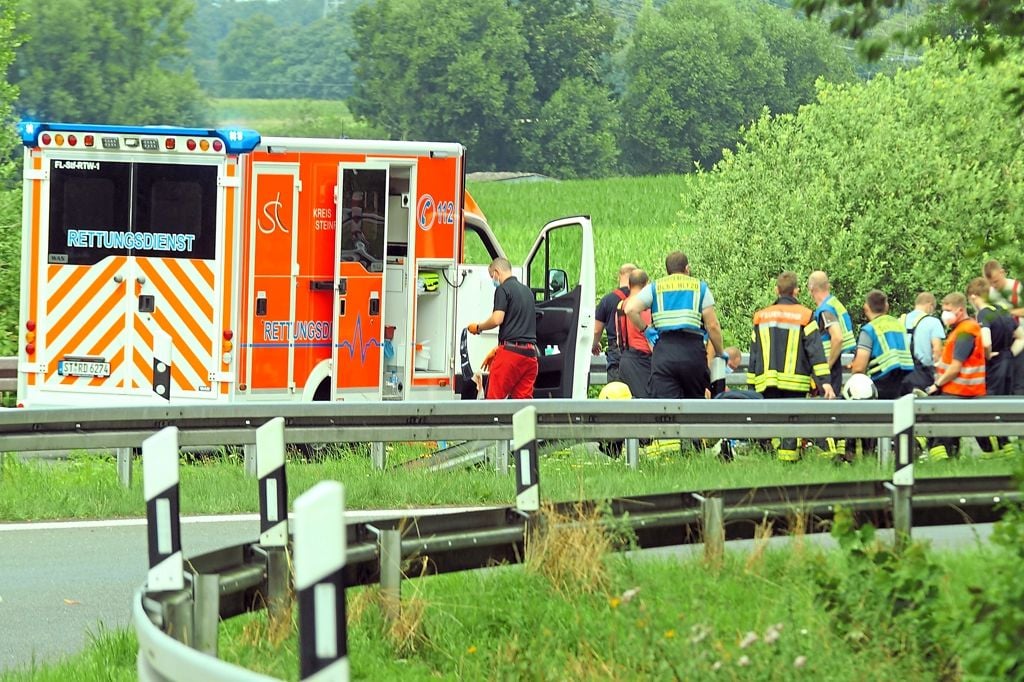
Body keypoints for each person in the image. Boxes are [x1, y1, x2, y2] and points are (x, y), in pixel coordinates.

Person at [748, 272, 836, 462]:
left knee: (768, 424)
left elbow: (754, 354)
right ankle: (788, 464)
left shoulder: (761, 317)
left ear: (776, 290)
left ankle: (768, 460)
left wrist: (750, 386)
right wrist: (824, 382)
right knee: (791, 425)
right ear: (796, 290)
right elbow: (816, 352)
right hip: (795, 383)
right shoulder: (805, 316)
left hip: (766, 382)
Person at [623, 251, 725, 399]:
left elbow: (630, 309)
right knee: (694, 404)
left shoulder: (656, 287)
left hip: (664, 352)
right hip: (692, 352)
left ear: (668, 270)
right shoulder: (700, 288)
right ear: (687, 268)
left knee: (666, 408)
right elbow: (713, 325)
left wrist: (646, 330)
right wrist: (720, 351)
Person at [922, 292, 987, 460]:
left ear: (960, 310)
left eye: (948, 310)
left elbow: (955, 367)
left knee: (939, 438)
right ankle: (949, 464)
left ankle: (941, 467)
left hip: (959, 389)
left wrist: (936, 385)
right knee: (948, 436)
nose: (945, 314)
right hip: (960, 389)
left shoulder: (965, 332)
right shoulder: (961, 329)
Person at [467, 257, 538, 399]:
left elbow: (497, 319)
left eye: (492, 276)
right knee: (522, 407)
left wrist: (479, 327)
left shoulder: (503, 289)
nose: (493, 280)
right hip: (530, 356)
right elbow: (520, 326)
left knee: (493, 401)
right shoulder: (528, 292)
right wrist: (497, 349)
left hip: (510, 356)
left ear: (496, 272)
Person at [968, 277, 1019, 456]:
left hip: (994, 367)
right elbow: (1020, 335)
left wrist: (988, 355)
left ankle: (992, 451)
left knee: (986, 409)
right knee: (1002, 408)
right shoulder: (1003, 311)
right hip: (1008, 365)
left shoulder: (983, 314)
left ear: (973, 297)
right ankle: (1008, 449)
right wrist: (1010, 354)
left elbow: (986, 341)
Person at [850, 290, 915, 399]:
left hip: (882, 383)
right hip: (906, 383)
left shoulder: (870, 329)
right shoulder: (899, 325)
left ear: (866, 307)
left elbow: (859, 367)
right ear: (886, 306)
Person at [807, 271, 856, 397]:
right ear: (827, 286)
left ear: (811, 289)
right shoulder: (835, 304)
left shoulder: (825, 310)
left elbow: (838, 338)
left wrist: (826, 368)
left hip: (833, 364)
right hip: (843, 363)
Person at [984, 259, 1024, 395]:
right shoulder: (989, 293)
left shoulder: (1016, 288)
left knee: (1018, 381)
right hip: (1000, 345)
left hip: (1019, 341)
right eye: (991, 283)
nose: (994, 286)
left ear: (1002, 273)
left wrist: (1007, 313)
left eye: (996, 281)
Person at [592, 263, 638, 382]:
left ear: (619, 276)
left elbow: (596, 330)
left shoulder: (607, 300)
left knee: (616, 395)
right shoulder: (641, 298)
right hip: (637, 356)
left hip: (616, 356)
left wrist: (594, 345)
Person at [614, 269, 654, 399]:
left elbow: (619, 336)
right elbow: (650, 337)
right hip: (643, 362)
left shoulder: (621, 306)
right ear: (646, 284)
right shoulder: (645, 306)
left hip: (625, 360)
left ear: (629, 285)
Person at [904, 292, 945, 368]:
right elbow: (937, 350)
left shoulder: (900, 320)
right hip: (923, 371)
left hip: (900, 370)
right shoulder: (933, 322)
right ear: (930, 305)